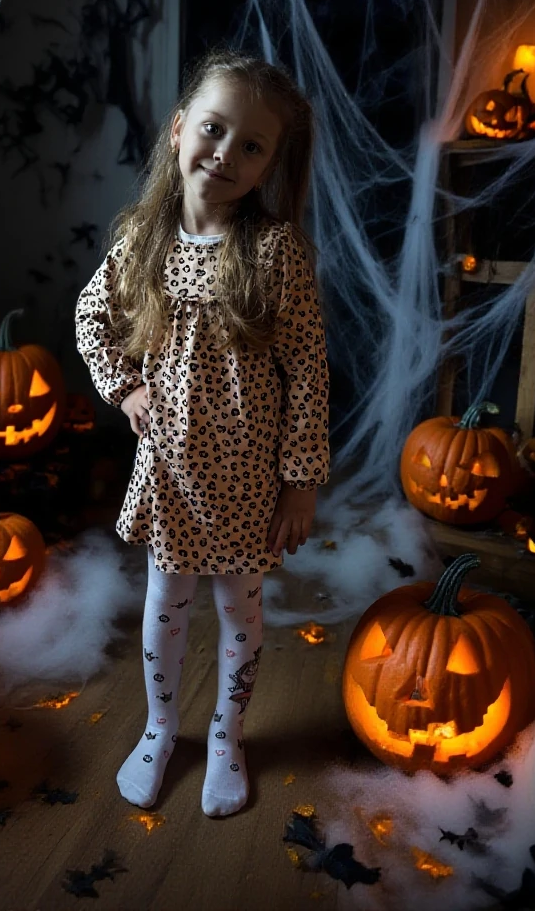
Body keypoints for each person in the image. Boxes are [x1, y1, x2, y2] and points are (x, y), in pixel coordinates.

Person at [75, 47, 330, 818]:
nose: (226, 153)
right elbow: (93, 318)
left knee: (239, 609)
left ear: (268, 165)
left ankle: (226, 732)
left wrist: (301, 480)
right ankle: (159, 728)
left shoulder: (274, 253)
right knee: (166, 601)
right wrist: (125, 389)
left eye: (251, 145)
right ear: (181, 129)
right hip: (171, 471)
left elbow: (308, 371)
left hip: (249, 474)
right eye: (214, 130)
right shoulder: (145, 244)